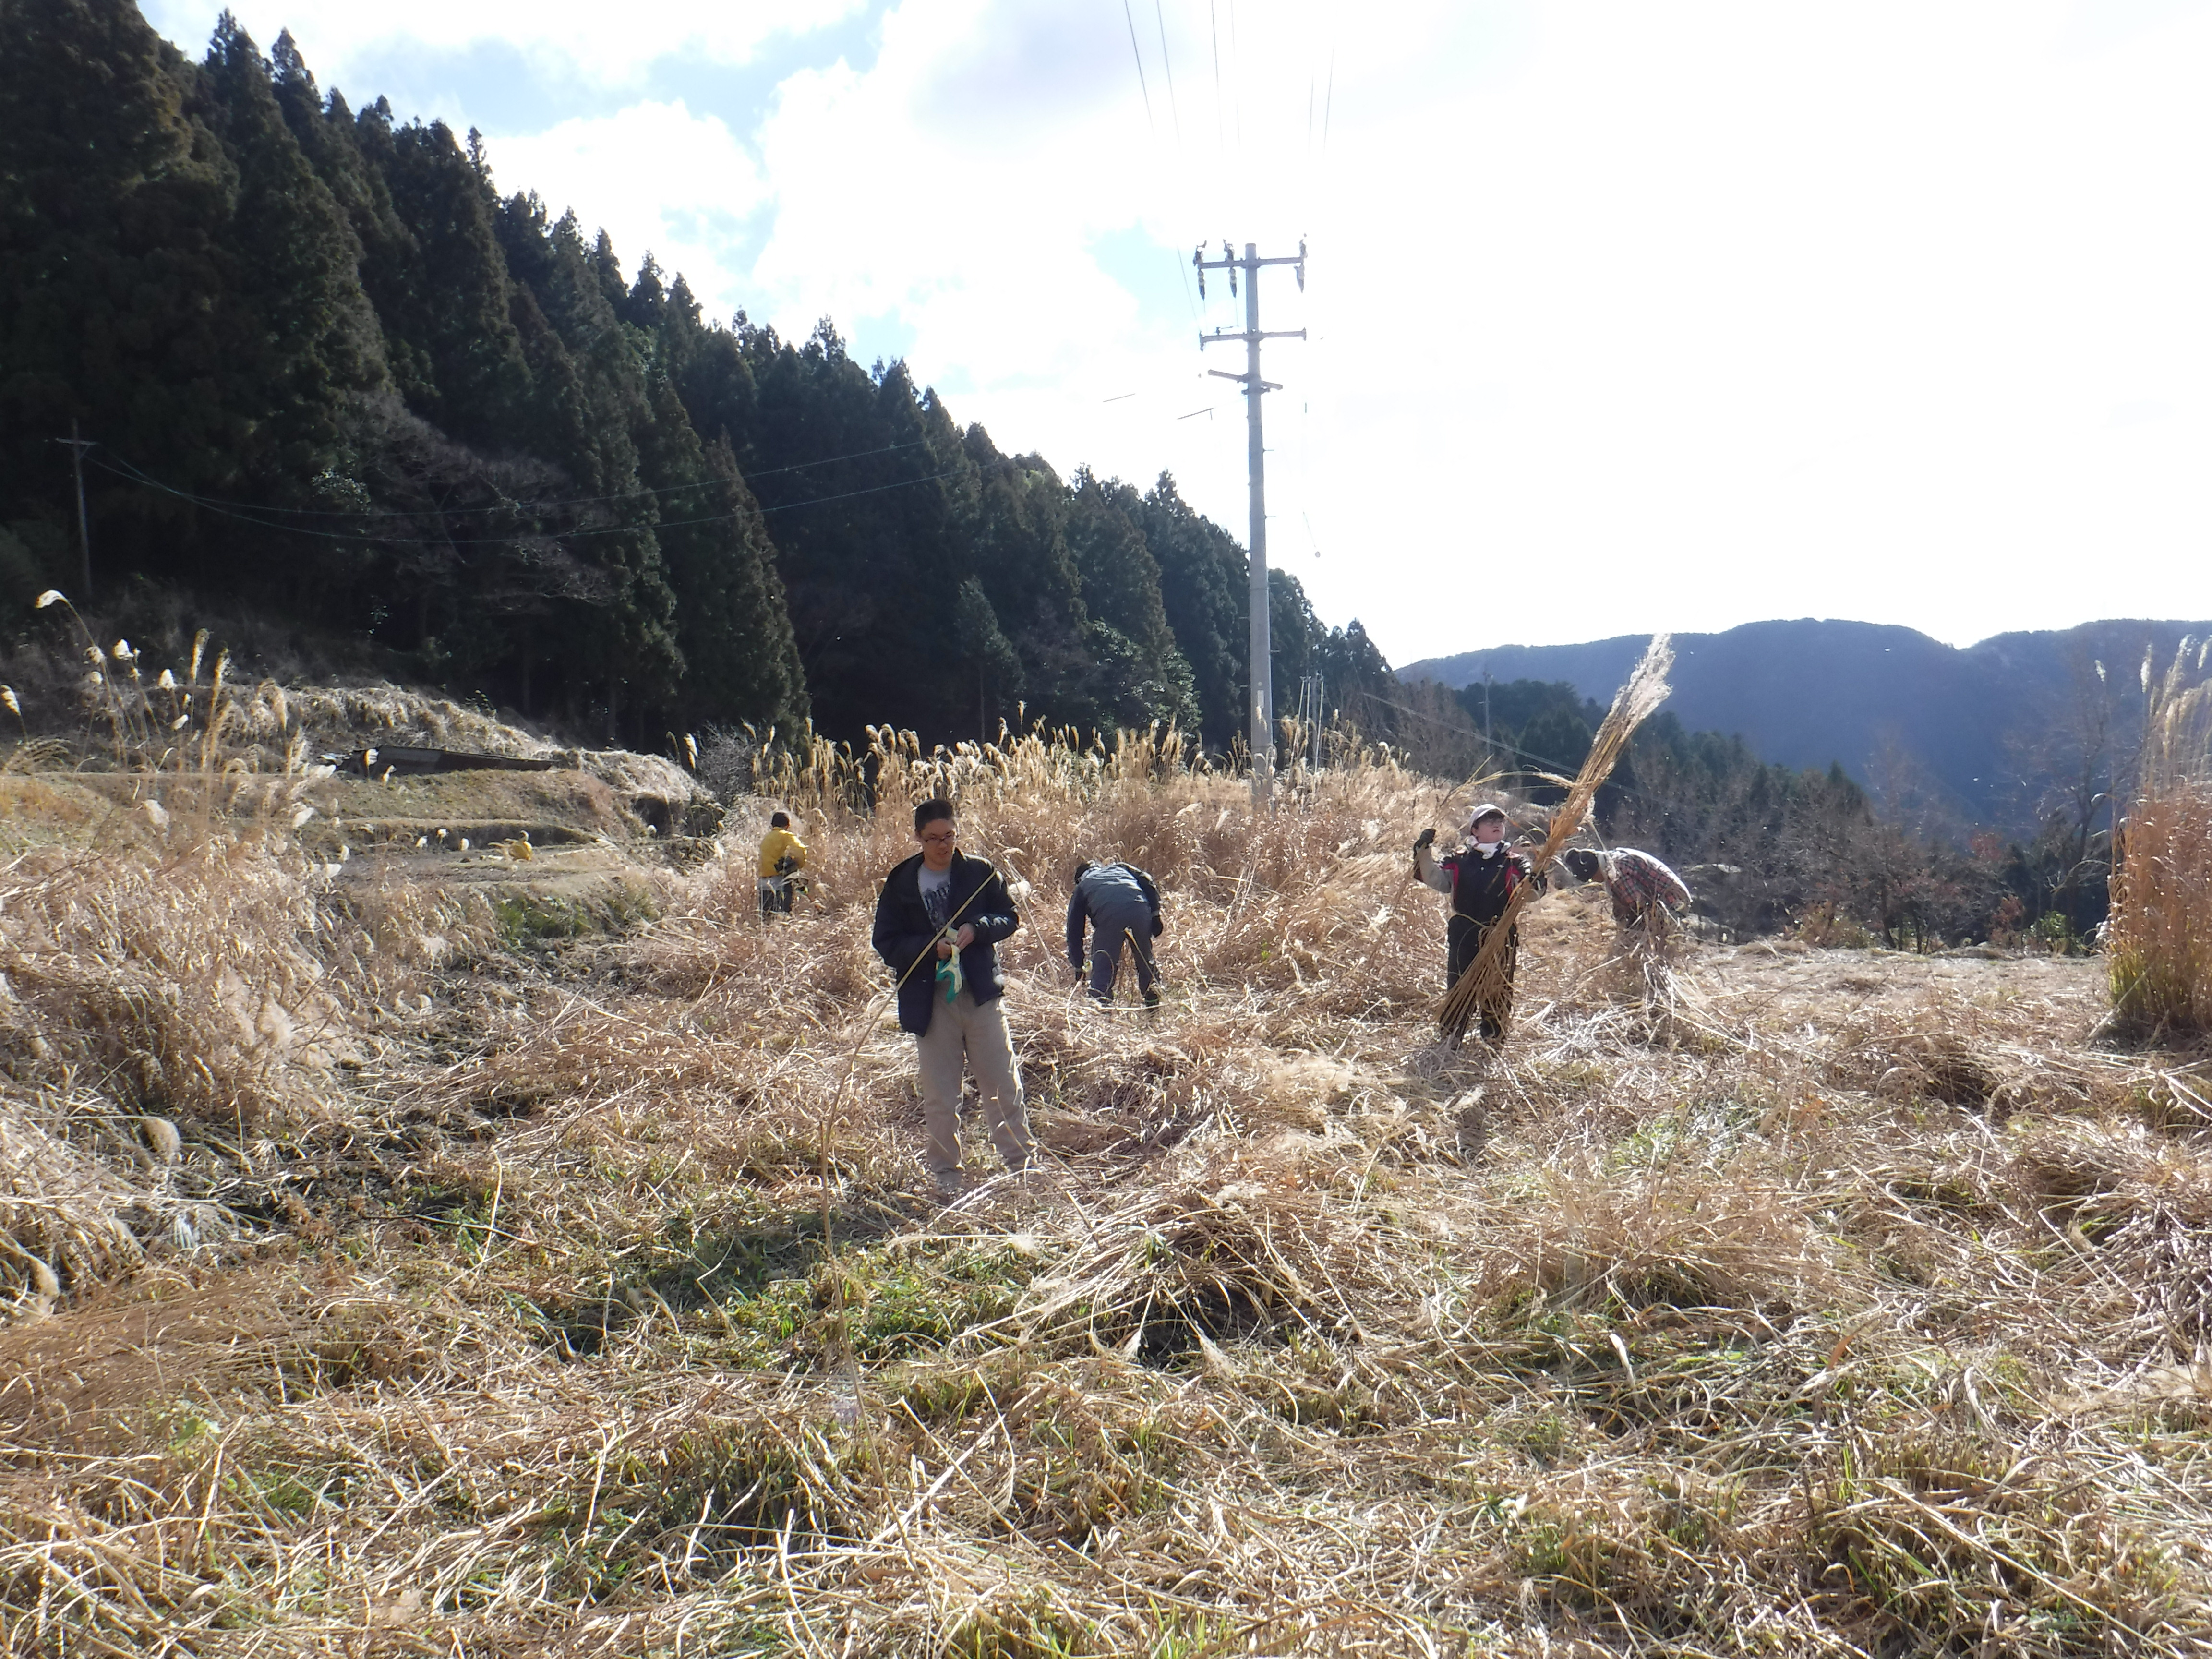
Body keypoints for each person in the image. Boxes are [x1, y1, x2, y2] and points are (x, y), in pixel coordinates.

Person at [871, 798, 1032, 1194]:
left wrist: (977, 928)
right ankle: (945, 1176)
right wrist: (931, 948)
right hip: (930, 1001)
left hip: (980, 995)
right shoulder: (901, 881)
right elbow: (886, 942)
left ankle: (1021, 1168)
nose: (943, 846)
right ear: (918, 838)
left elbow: (1009, 917)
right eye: (933, 839)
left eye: (949, 836)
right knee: (941, 1096)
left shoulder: (979, 872)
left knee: (1002, 1085)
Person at [1415, 803, 1545, 1043]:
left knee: (1498, 987)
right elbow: (1436, 879)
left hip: (1501, 933)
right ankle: (1451, 1036)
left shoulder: (1515, 861)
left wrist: (1536, 878)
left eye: (1500, 821)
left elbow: (1532, 894)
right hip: (1464, 931)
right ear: (1475, 830)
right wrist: (1423, 852)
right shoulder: (1459, 858)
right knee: (1459, 984)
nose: (1497, 824)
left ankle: (1493, 1038)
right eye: (1489, 821)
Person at [1066, 859, 1164, 1007]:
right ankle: (1154, 1006)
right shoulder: (1121, 868)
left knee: (1103, 968)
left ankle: (1100, 1012)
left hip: (1110, 918)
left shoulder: (1082, 887)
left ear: (1080, 879)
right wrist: (1155, 914)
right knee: (1146, 961)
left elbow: (1074, 932)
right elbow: (1147, 881)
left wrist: (1079, 966)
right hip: (1139, 909)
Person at [1562, 846, 1692, 939]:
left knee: (1635, 938)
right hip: (1672, 898)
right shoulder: (1614, 857)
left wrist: (1624, 935)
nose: (1594, 881)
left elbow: (1638, 905)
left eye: (1591, 878)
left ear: (1596, 870)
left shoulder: (1617, 873)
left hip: (1673, 904)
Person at [757, 811, 808, 917]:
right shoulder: (786, 836)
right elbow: (801, 850)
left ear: (772, 825)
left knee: (767, 919)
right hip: (780, 884)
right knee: (783, 918)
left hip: (763, 884)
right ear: (788, 825)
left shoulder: (766, 839)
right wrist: (797, 865)